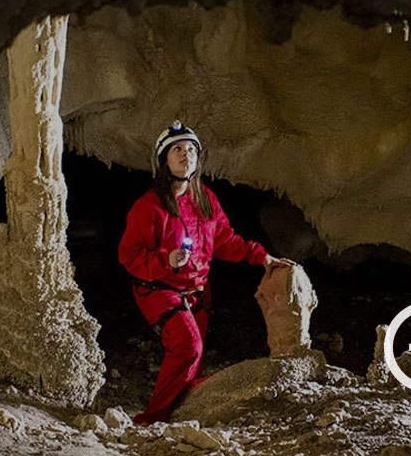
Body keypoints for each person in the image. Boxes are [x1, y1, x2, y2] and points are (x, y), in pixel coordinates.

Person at [118, 120, 294, 424]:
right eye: (177, 150)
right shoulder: (149, 207)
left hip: (198, 291)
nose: (186, 155)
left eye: (191, 150)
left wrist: (261, 257)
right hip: (158, 288)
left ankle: (183, 413)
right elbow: (129, 256)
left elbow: (225, 240)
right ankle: (151, 419)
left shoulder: (205, 199)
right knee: (188, 347)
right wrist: (165, 260)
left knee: (193, 363)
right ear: (164, 160)